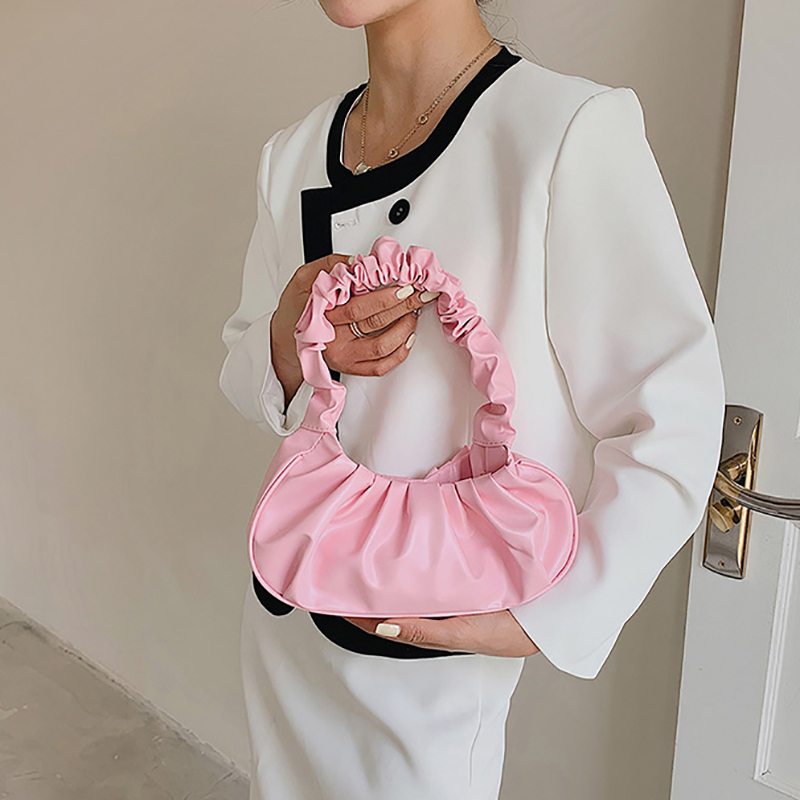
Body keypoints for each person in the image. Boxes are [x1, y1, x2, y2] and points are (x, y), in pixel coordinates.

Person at [218, 1, 727, 797]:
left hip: (428, 670)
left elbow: (675, 416)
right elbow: (248, 376)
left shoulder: (564, 131)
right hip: (290, 629)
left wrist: (548, 614)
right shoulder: (291, 157)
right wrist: (287, 340)